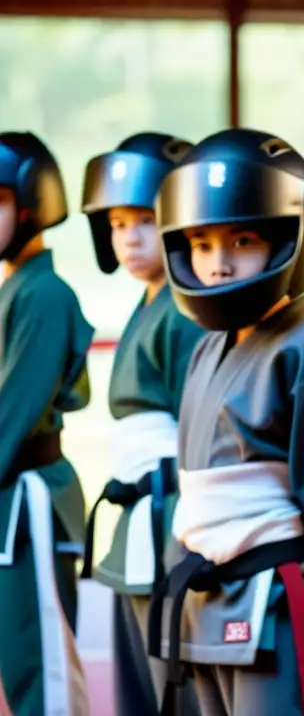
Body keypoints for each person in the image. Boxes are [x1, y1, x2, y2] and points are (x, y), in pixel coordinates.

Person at [147, 128, 304, 716]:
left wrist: (279, 550)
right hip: (205, 590)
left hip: (275, 595)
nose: (217, 265)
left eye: (240, 240)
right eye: (200, 243)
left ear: (289, 241)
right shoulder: (205, 349)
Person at [78, 132, 205, 715]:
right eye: (118, 223)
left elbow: (198, 428)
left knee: (168, 683)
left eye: (146, 220)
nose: (129, 236)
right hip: (139, 509)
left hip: (171, 514)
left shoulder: (185, 309)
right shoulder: (150, 301)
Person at [0, 132, 94, 715]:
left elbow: (12, 413)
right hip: (12, 502)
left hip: (30, 501)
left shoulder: (45, 294)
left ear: (33, 203)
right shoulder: (18, 287)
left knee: (43, 677)